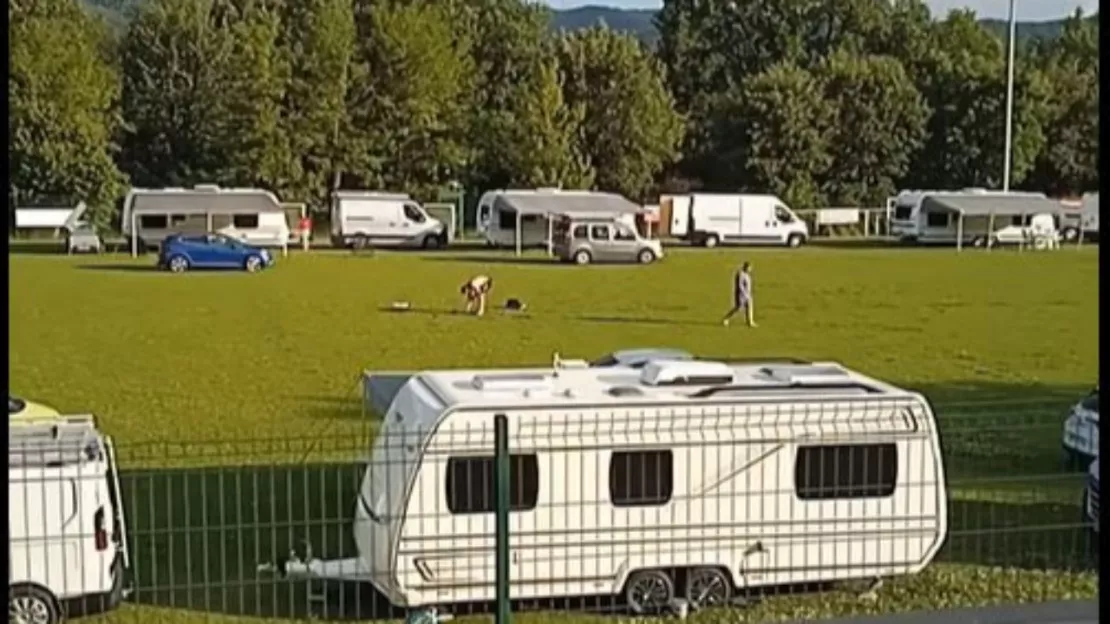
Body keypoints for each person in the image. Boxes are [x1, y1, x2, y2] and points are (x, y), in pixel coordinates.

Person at [722, 262, 756, 327]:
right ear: (746, 267)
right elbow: (740, 285)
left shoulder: (747, 275)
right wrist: (744, 294)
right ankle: (726, 318)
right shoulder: (741, 274)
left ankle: (750, 322)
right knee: (738, 308)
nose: (750, 269)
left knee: (749, 307)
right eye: (749, 268)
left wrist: (749, 293)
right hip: (741, 295)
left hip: (747, 294)